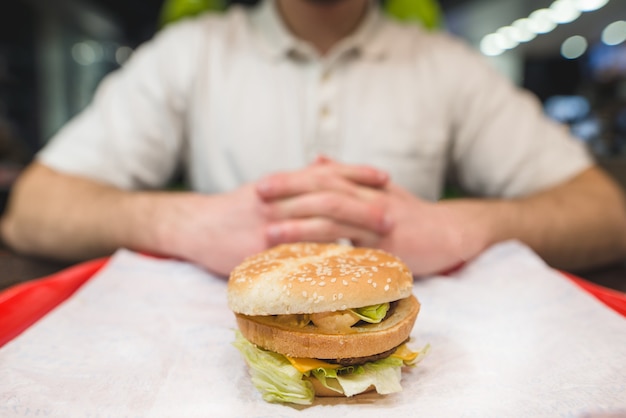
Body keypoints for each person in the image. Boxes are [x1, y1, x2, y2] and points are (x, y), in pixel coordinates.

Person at [2, 0, 626, 277]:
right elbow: (32, 212)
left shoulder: (446, 64)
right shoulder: (190, 54)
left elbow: (605, 214)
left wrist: (461, 229)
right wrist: (183, 222)